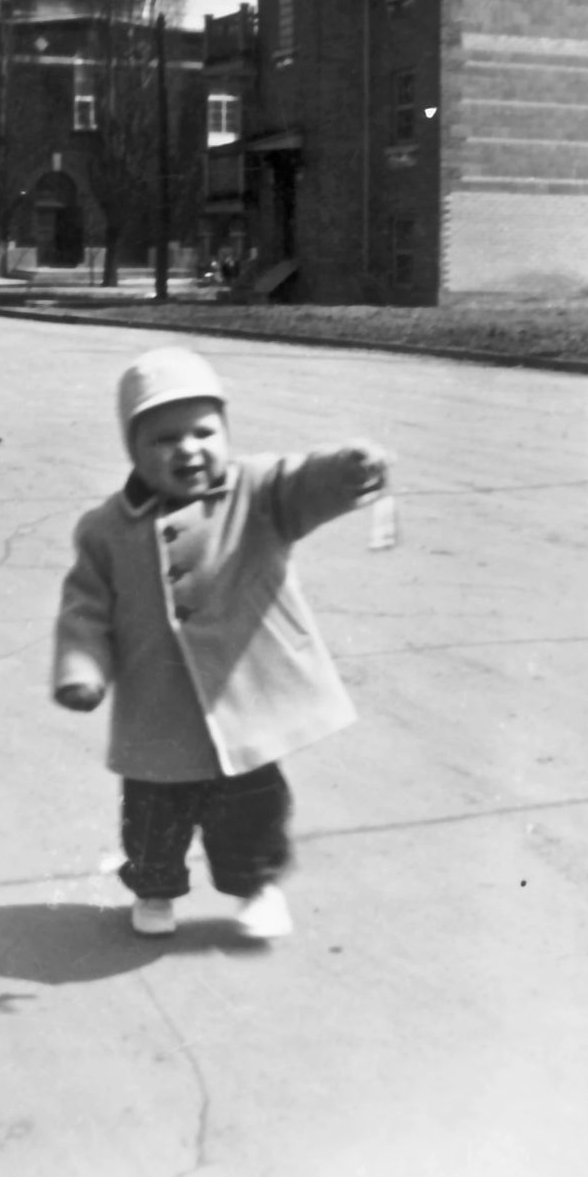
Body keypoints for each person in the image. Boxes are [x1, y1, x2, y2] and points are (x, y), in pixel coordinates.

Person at [52, 347, 390, 941]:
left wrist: (346, 471)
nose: (187, 449)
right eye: (164, 439)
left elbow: (303, 483)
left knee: (254, 810)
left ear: (225, 431)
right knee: (153, 814)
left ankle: (257, 886)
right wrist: (81, 670)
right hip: (158, 710)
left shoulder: (258, 493)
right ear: (134, 450)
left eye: (203, 432)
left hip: (246, 699)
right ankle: (155, 890)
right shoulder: (107, 530)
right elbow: (86, 608)